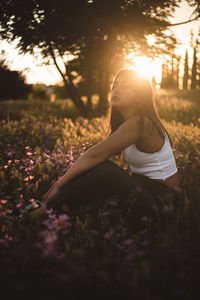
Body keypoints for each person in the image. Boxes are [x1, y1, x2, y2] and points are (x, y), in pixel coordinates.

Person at [26, 68, 182, 228]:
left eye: (125, 86)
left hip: (164, 203)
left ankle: (42, 212)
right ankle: (60, 209)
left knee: (104, 169)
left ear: (139, 95)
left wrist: (58, 186)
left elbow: (93, 155)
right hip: (145, 192)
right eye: (115, 85)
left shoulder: (141, 123)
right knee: (94, 168)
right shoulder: (127, 124)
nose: (116, 90)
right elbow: (92, 160)